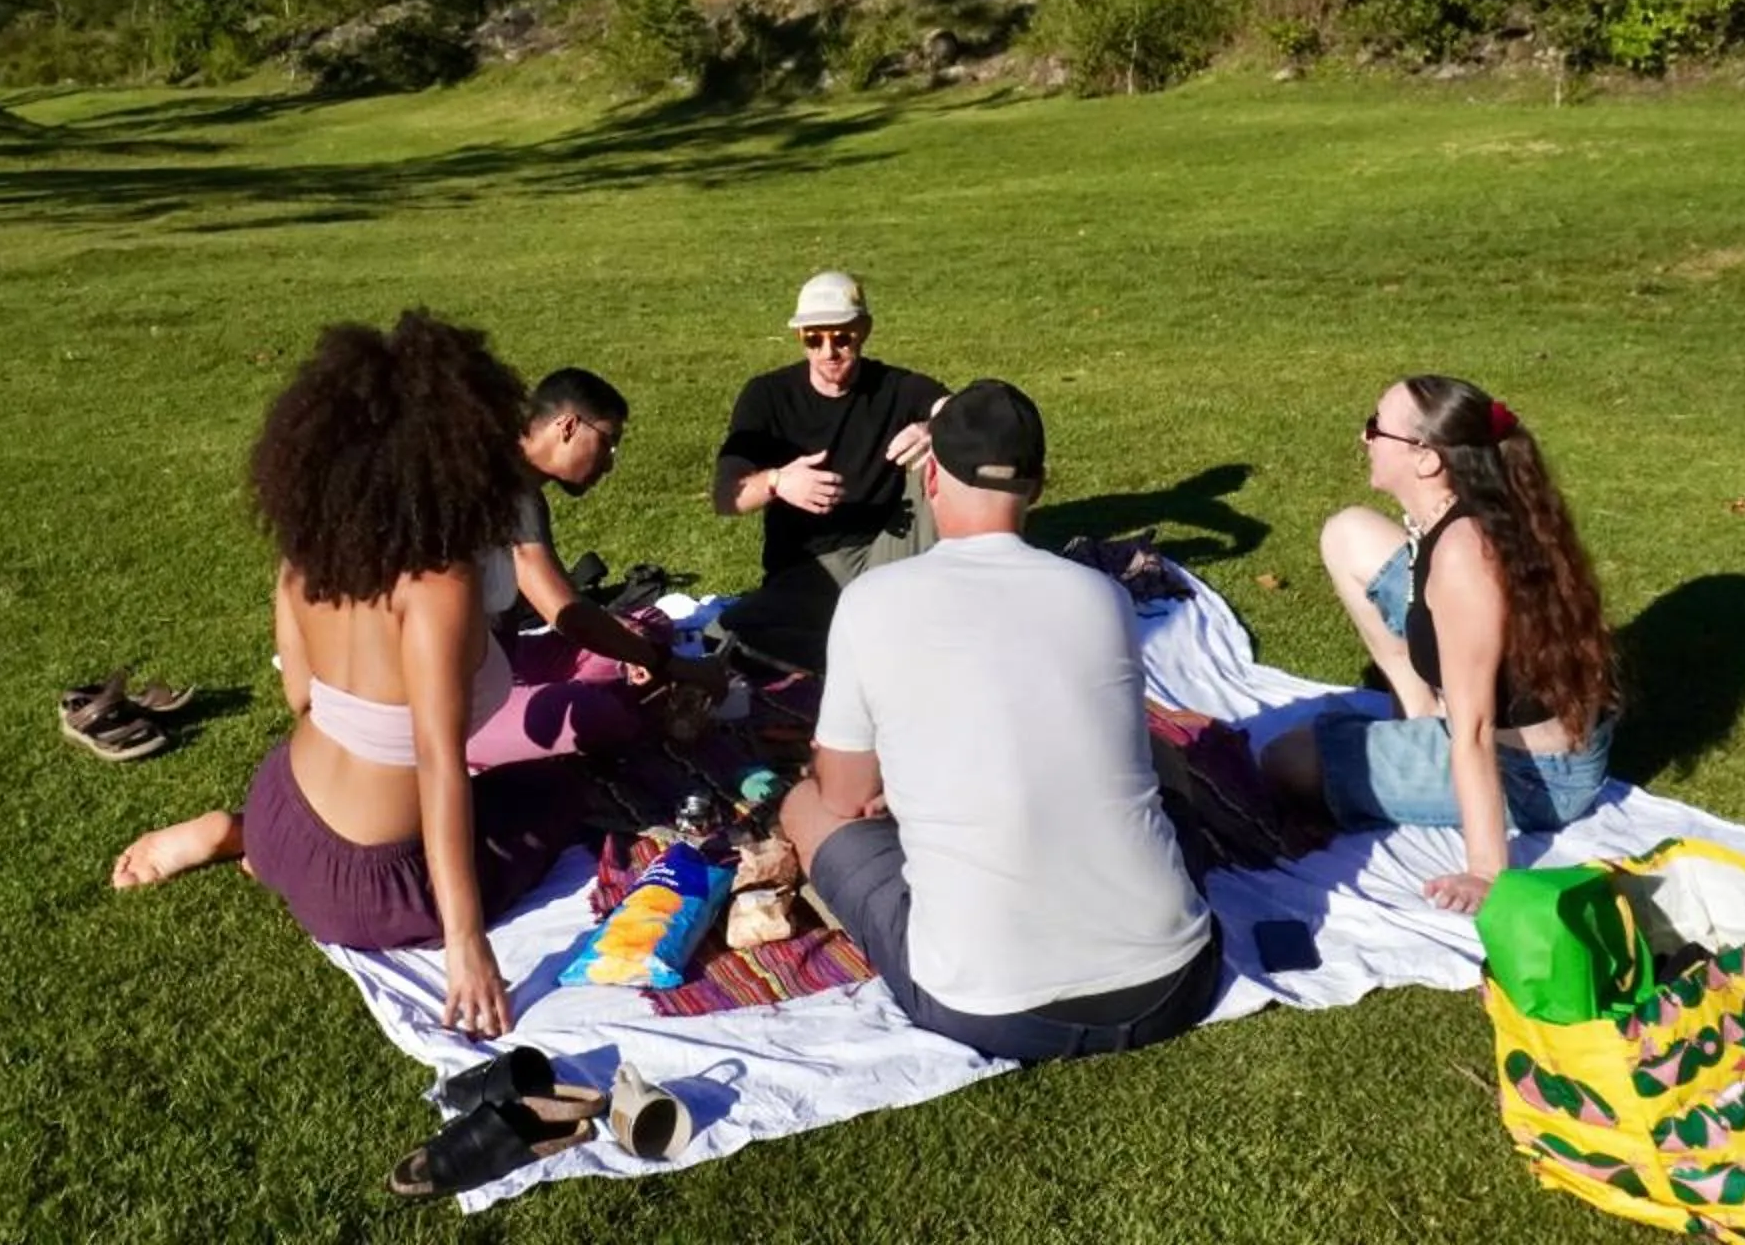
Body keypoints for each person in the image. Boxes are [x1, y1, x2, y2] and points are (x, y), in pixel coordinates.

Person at [108, 312, 581, 1039]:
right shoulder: (438, 586)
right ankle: (249, 847)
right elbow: (437, 764)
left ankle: (241, 839)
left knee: (505, 793)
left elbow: (300, 696)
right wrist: (466, 945)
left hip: (280, 809)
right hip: (369, 884)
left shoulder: (307, 558)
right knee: (561, 796)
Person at [777, 380, 1221, 1063]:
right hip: (1175, 979)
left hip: (993, 1004)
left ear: (930, 477)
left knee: (809, 806)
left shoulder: (873, 602)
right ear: (1038, 486)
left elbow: (843, 795)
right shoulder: (1103, 596)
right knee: (1162, 757)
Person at [1261, 376, 1618, 915]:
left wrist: (1486, 870)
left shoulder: (1463, 554)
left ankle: (1423, 740)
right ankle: (1418, 713)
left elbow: (1473, 730)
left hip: (1536, 775)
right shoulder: (1465, 508)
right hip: (1539, 727)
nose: (1365, 438)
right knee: (1348, 532)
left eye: (1377, 429)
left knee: (1286, 759)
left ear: (1427, 460)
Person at [466, 367, 727, 770]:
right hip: (461, 704)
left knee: (649, 621)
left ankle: (603, 686)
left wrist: (635, 649)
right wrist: (670, 665)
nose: (609, 464)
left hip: (505, 658)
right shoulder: (506, 489)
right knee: (597, 715)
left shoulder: (519, 485)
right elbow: (565, 614)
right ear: (568, 426)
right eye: (608, 443)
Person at [709, 270, 947, 666]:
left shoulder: (896, 387)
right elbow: (724, 496)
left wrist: (934, 428)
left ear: (864, 330)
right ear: (800, 338)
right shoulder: (767, 395)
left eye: (841, 338)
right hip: (811, 570)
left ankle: (909, 624)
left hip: (890, 552)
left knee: (948, 451)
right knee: (724, 636)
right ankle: (870, 651)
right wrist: (777, 481)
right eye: (813, 339)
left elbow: (973, 415)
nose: (828, 351)